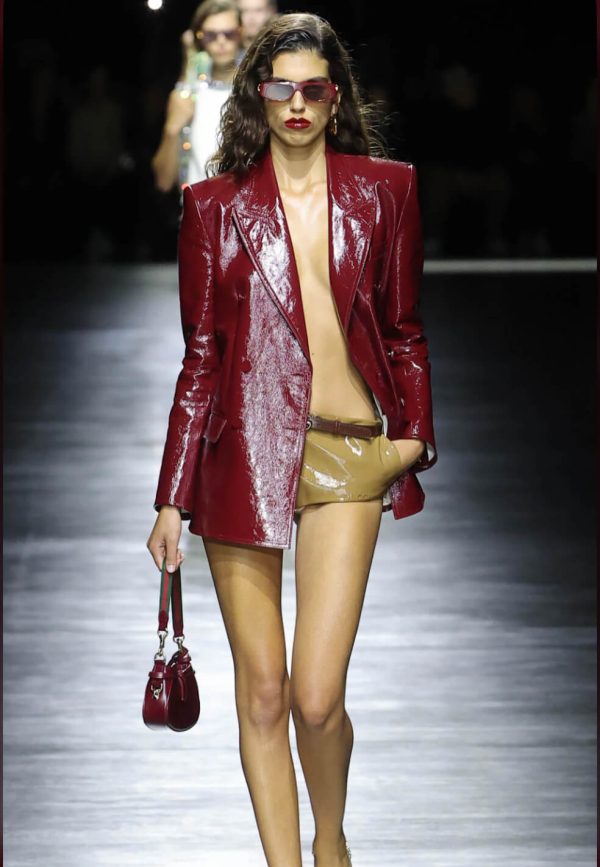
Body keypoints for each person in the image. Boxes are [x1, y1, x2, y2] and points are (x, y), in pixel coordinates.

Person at [147, 12, 437, 866]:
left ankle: (332, 840)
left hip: (350, 451)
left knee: (316, 696)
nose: (298, 103)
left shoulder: (387, 189)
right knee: (265, 694)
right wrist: (171, 494)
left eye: (314, 88)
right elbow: (200, 356)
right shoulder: (213, 207)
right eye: (282, 88)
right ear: (259, 96)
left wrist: (412, 439)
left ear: (334, 96)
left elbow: (404, 328)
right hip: (240, 457)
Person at [151, 0, 243, 193]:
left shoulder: (254, 91)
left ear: (240, 34)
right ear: (199, 39)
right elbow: (163, 182)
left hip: (245, 216)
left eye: (229, 34)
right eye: (210, 35)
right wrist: (172, 130)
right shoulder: (185, 96)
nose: (221, 41)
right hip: (197, 216)